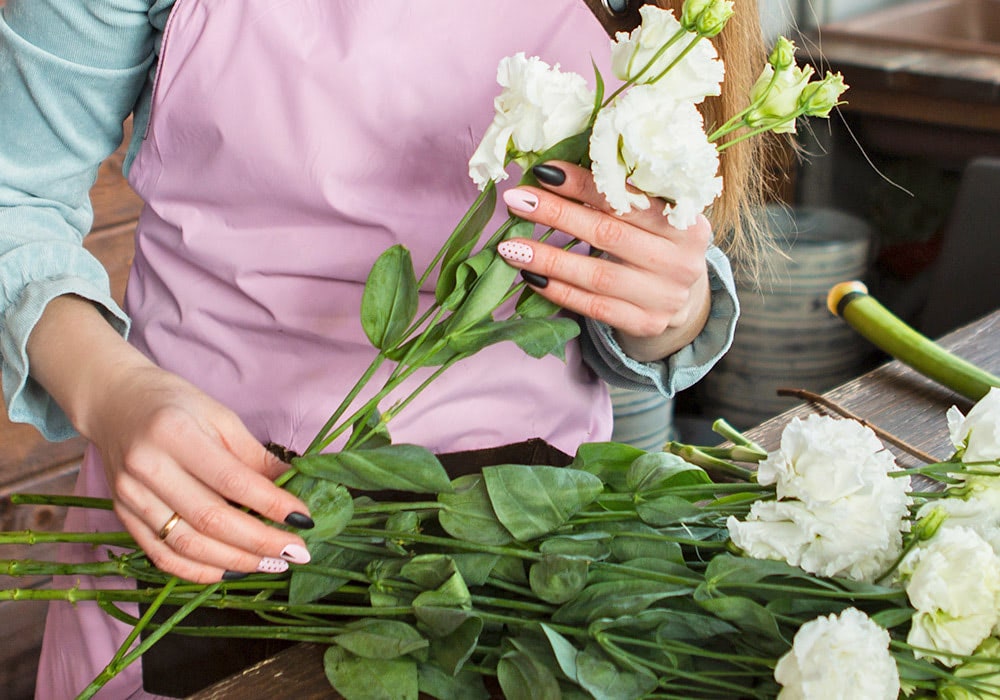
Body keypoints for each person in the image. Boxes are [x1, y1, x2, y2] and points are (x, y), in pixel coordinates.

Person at [0, 0, 774, 697]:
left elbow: (644, 242)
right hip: (201, 523)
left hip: (528, 575)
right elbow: (12, 197)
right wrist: (112, 393)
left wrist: (668, 304)